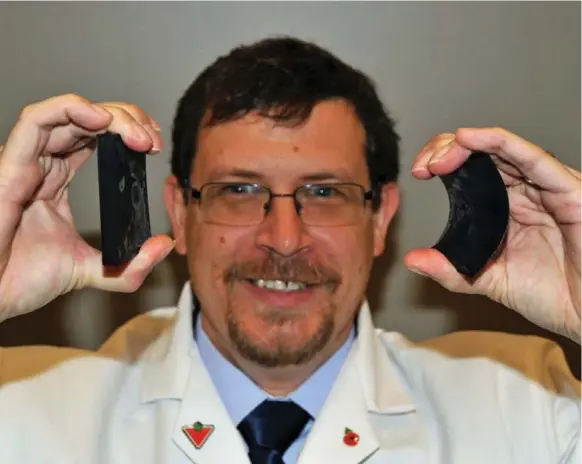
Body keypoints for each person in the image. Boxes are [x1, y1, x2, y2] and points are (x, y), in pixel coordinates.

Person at [0, 36, 579, 464]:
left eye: (325, 192)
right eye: (239, 190)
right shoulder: (21, 411)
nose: (283, 239)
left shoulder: (534, 408)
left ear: (381, 217)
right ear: (180, 212)